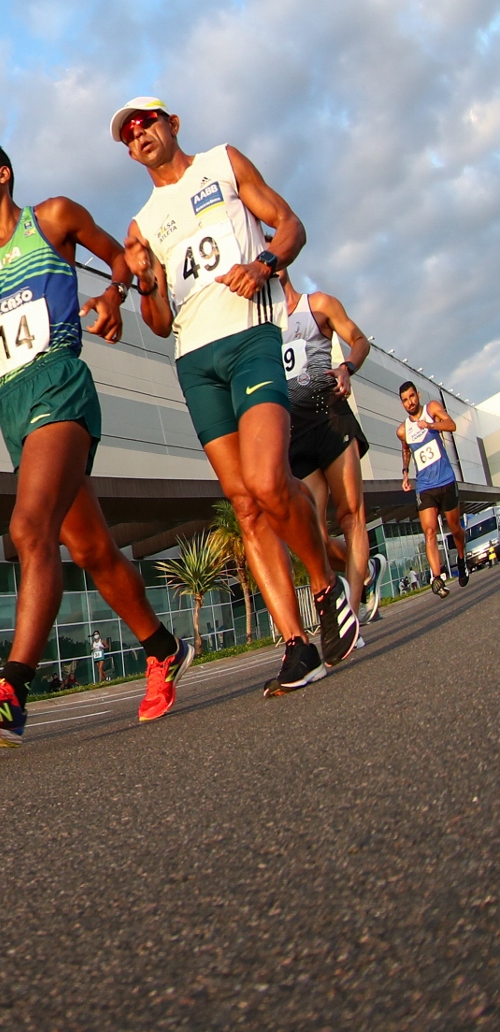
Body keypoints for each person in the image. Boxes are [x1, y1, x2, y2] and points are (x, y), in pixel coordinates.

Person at [0, 142, 193, 749]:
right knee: (93, 549)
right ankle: (163, 647)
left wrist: (111, 297)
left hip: (60, 382)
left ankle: (12, 693)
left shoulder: (52, 218)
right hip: (12, 403)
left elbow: (119, 259)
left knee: (28, 529)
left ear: (3, 173)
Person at [114, 98, 355, 696]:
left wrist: (266, 262)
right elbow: (158, 320)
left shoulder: (222, 162)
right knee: (245, 505)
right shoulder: (141, 225)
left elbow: (292, 224)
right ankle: (297, 646)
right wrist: (145, 279)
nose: (138, 135)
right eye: (127, 134)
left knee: (270, 482)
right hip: (195, 362)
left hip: (250, 338)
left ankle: (327, 586)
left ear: (173, 124)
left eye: (146, 123)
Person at [275, 267, 387, 629]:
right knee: (315, 537)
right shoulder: (260, 329)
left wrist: (346, 367)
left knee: (351, 515)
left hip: (330, 417)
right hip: (296, 434)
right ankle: (366, 568)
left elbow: (359, 339)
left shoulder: (318, 304)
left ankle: (351, 615)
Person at [397, 382, 467, 597]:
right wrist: (406, 473)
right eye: (405, 400)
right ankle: (437, 578)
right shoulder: (402, 430)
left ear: (417, 395)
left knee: (455, 528)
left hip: (445, 480)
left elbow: (451, 425)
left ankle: (461, 559)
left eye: (412, 397)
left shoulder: (432, 408)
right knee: (429, 531)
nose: (410, 402)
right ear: (402, 403)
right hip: (425, 486)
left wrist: (430, 425)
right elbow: (406, 450)